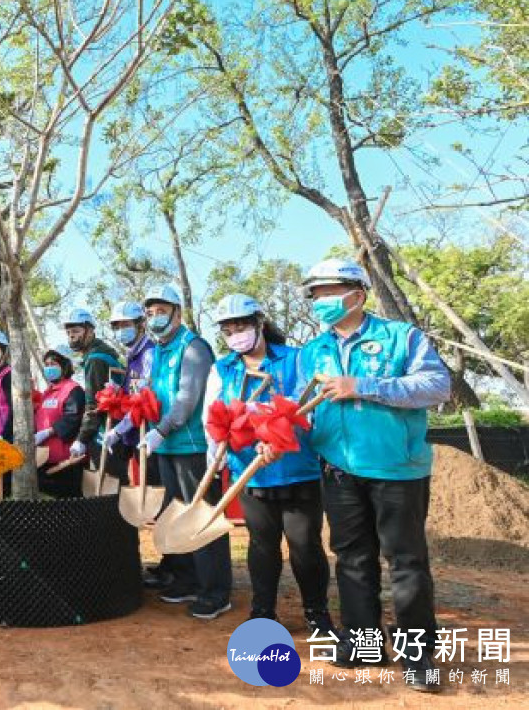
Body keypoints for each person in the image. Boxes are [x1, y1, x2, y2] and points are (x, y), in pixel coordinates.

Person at [297, 258, 450, 692]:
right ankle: (363, 641)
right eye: (316, 294)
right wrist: (281, 432)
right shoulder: (313, 350)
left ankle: (418, 656)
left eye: (329, 292)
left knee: (406, 562)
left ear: (358, 293)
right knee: (352, 559)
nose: (321, 301)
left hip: (397, 469)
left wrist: (363, 385)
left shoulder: (401, 337)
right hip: (339, 470)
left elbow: (437, 386)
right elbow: (303, 407)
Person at [204, 293, 332, 634]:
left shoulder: (295, 359)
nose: (236, 335)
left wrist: (275, 433)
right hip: (252, 474)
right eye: (228, 330)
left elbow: (311, 407)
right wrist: (214, 452)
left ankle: (317, 613)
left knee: (305, 545)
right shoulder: (223, 369)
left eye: (242, 326)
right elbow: (213, 415)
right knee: (262, 545)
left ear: (260, 323)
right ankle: (263, 612)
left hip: (296, 470)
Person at [133, 284, 232, 621]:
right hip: (168, 446)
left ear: (177, 312)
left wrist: (161, 429)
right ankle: (188, 579)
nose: (155, 318)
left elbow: (188, 398)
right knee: (175, 514)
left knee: (200, 516)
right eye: (150, 313)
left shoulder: (194, 348)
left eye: (161, 311)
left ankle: (216, 591)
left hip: (192, 445)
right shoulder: (160, 350)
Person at [108, 300, 171, 588]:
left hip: (156, 438)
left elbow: (145, 399)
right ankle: (167, 564)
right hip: (138, 438)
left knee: (163, 503)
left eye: (126, 325)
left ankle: (174, 566)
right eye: (117, 326)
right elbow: (128, 397)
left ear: (140, 325)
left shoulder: (149, 354)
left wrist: (121, 429)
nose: (122, 330)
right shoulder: (132, 357)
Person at [62, 308, 123, 473]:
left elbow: (93, 404)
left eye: (76, 331)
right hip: (116, 429)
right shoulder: (99, 355)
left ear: (89, 331)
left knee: (111, 486)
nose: (72, 336)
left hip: (106, 432)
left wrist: (82, 438)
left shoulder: (96, 360)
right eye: (68, 332)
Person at [33, 345, 86, 498]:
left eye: (53, 364)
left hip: (66, 461)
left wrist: (48, 432)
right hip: (44, 460)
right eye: (47, 365)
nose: (49, 368)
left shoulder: (73, 390)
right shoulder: (48, 392)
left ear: (65, 365)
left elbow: (72, 419)